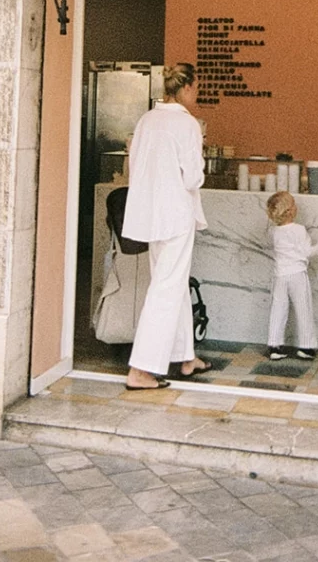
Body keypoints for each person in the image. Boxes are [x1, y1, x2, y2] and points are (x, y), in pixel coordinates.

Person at [123, 63, 213, 390]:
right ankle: (142, 369)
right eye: (197, 86)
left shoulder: (146, 120)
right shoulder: (187, 124)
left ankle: (185, 357)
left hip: (149, 214)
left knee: (169, 283)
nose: (198, 92)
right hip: (175, 214)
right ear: (186, 87)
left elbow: (134, 163)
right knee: (166, 288)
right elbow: (193, 177)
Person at [266, 190, 318, 360]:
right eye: (294, 204)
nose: (297, 207)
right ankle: (306, 347)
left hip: (279, 275)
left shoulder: (273, 232)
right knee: (303, 309)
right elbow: (307, 252)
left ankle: (274, 345)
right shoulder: (299, 230)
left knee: (278, 309)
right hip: (297, 275)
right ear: (289, 211)